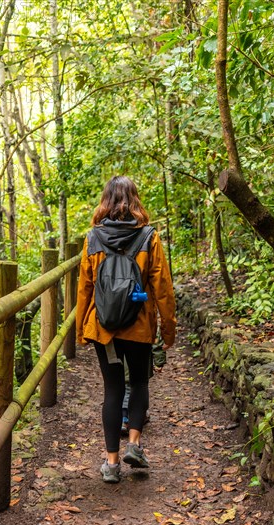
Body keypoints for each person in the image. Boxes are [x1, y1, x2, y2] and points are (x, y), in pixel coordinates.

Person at [76, 175, 176, 483]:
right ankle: (134, 443)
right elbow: (162, 288)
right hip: (139, 325)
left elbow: (85, 288)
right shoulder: (149, 237)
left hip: (104, 328)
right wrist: (168, 329)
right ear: (134, 201)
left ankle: (112, 463)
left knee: (112, 389)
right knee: (140, 384)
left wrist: (81, 329)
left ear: (105, 201)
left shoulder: (93, 238)